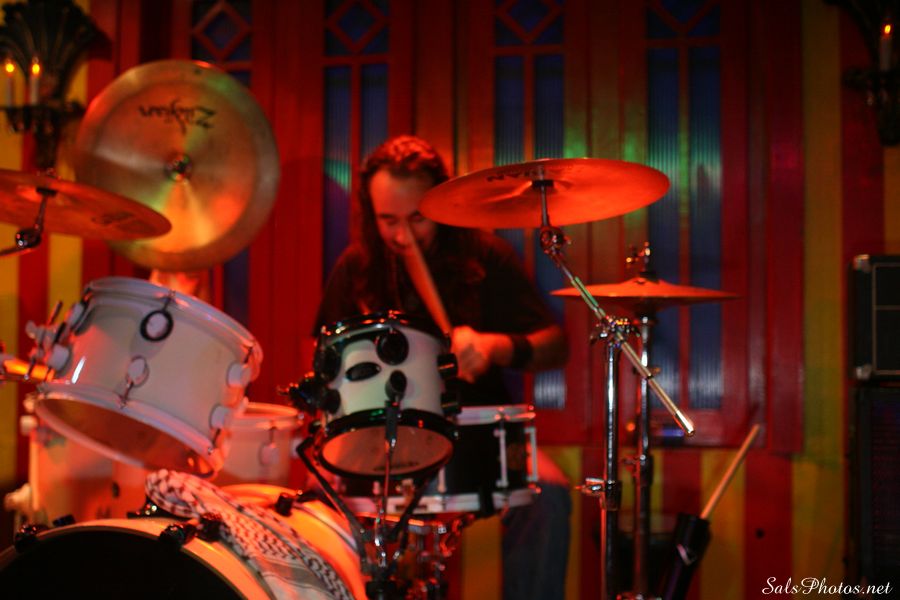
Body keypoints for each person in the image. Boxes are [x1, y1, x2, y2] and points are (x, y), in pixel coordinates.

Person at [314, 135, 571, 600]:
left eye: (417, 218)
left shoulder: (486, 257)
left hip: (478, 435)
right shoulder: (356, 268)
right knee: (322, 507)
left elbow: (555, 346)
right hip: (382, 442)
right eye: (388, 220)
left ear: (440, 204)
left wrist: (495, 347)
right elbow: (321, 360)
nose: (403, 236)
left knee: (549, 494)